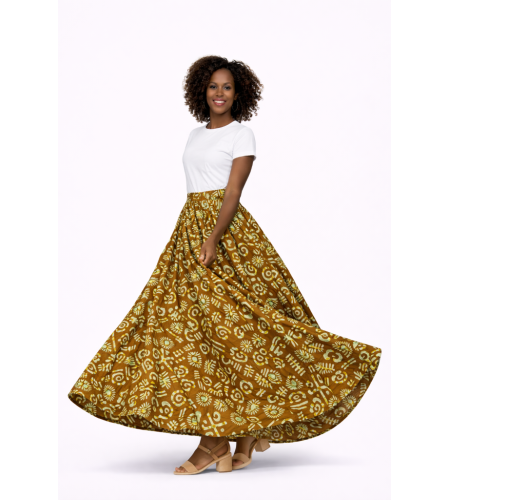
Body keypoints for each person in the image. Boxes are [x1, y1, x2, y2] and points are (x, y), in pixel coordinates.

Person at [67, 55, 382, 475]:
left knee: (246, 331)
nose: (219, 93)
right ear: (202, 90)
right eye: (213, 86)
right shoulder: (194, 135)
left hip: (226, 234)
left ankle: (223, 440)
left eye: (227, 87)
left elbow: (232, 192)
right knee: (189, 333)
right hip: (189, 229)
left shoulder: (242, 134)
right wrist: (197, 235)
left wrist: (213, 238)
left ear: (239, 94)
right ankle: (228, 437)